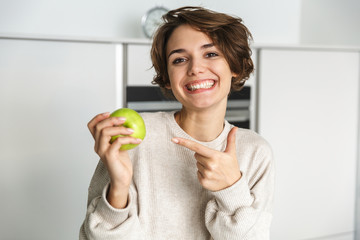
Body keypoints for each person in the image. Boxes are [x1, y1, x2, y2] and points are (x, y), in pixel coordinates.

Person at [79, 6, 274, 240]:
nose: (195, 68)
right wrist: (119, 187)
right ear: (168, 78)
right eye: (180, 59)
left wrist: (231, 188)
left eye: (211, 54)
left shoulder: (256, 152)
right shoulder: (132, 139)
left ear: (234, 65)